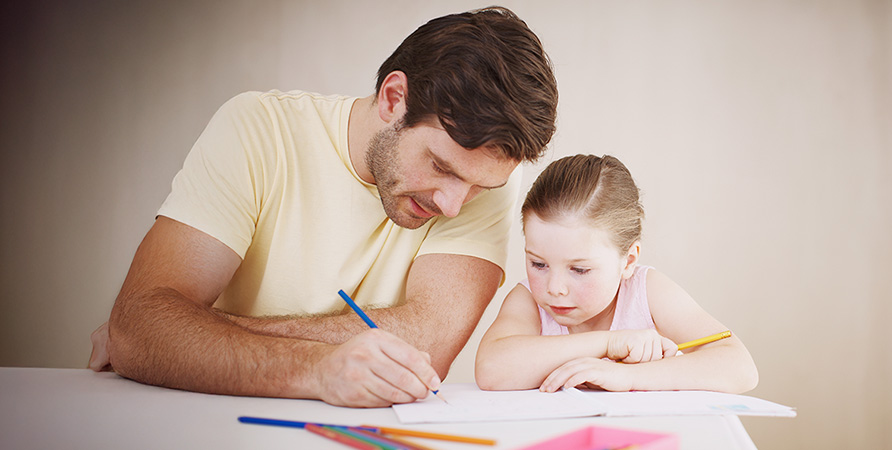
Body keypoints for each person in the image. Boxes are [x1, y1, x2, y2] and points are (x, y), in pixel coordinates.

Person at [88, 6, 558, 407]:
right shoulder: (259, 129)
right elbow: (140, 330)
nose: (453, 206)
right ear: (394, 99)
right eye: (440, 166)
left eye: (479, 187)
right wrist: (316, 368)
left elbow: (425, 348)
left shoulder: (482, 175)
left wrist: (188, 334)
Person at [475, 154, 758, 393]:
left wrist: (629, 377)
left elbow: (741, 368)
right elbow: (491, 370)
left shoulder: (647, 291)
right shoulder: (527, 300)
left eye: (579, 269)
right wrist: (608, 343)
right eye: (538, 264)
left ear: (628, 261)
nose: (555, 287)